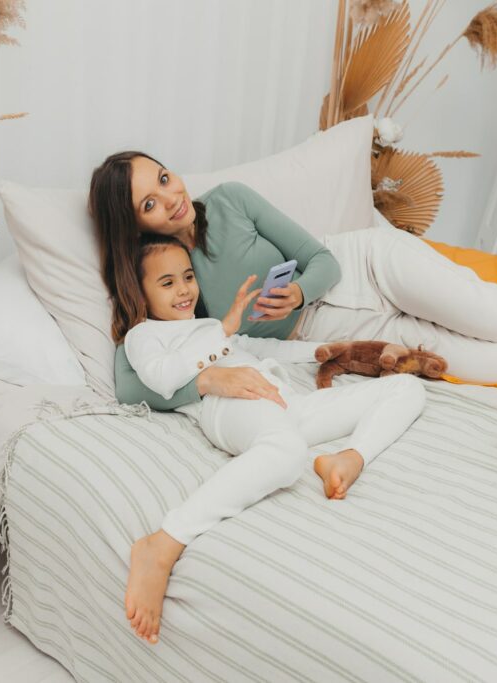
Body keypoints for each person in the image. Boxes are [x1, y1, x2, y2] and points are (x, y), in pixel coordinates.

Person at [88, 151, 497, 409]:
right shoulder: (160, 279)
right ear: (132, 224)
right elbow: (131, 385)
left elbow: (319, 257)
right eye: (150, 202)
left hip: (362, 265)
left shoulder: (230, 200)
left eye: (165, 178)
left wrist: (302, 289)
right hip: (335, 327)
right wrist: (208, 382)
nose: (172, 197)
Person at [121, 233, 427, 645]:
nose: (183, 290)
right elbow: (161, 378)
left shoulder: (210, 327)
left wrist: (341, 349)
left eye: (188, 276)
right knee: (286, 454)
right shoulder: (145, 335)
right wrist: (223, 331)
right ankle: (163, 541)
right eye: (167, 282)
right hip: (230, 406)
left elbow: (265, 348)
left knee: (406, 389)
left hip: (287, 405)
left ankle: (350, 457)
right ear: (140, 293)